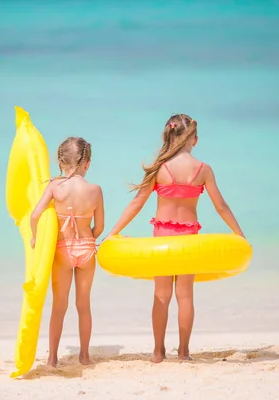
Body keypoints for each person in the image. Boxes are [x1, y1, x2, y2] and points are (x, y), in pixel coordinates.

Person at [105, 114, 244, 363]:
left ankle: (158, 352)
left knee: (161, 295)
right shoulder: (203, 170)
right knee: (186, 296)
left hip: (163, 239)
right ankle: (184, 352)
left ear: (170, 136)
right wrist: (239, 234)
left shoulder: (161, 168)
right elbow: (220, 205)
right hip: (189, 240)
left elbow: (137, 203)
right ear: (195, 140)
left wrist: (113, 232)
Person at [30, 137, 104, 367]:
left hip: (62, 250)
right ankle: (84, 356)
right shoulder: (95, 190)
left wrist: (35, 238)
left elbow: (35, 215)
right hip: (87, 250)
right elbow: (99, 227)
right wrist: (89, 238)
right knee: (83, 305)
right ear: (87, 163)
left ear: (61, 162)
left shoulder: (55, 186)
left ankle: (52, 358)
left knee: (59, 305)